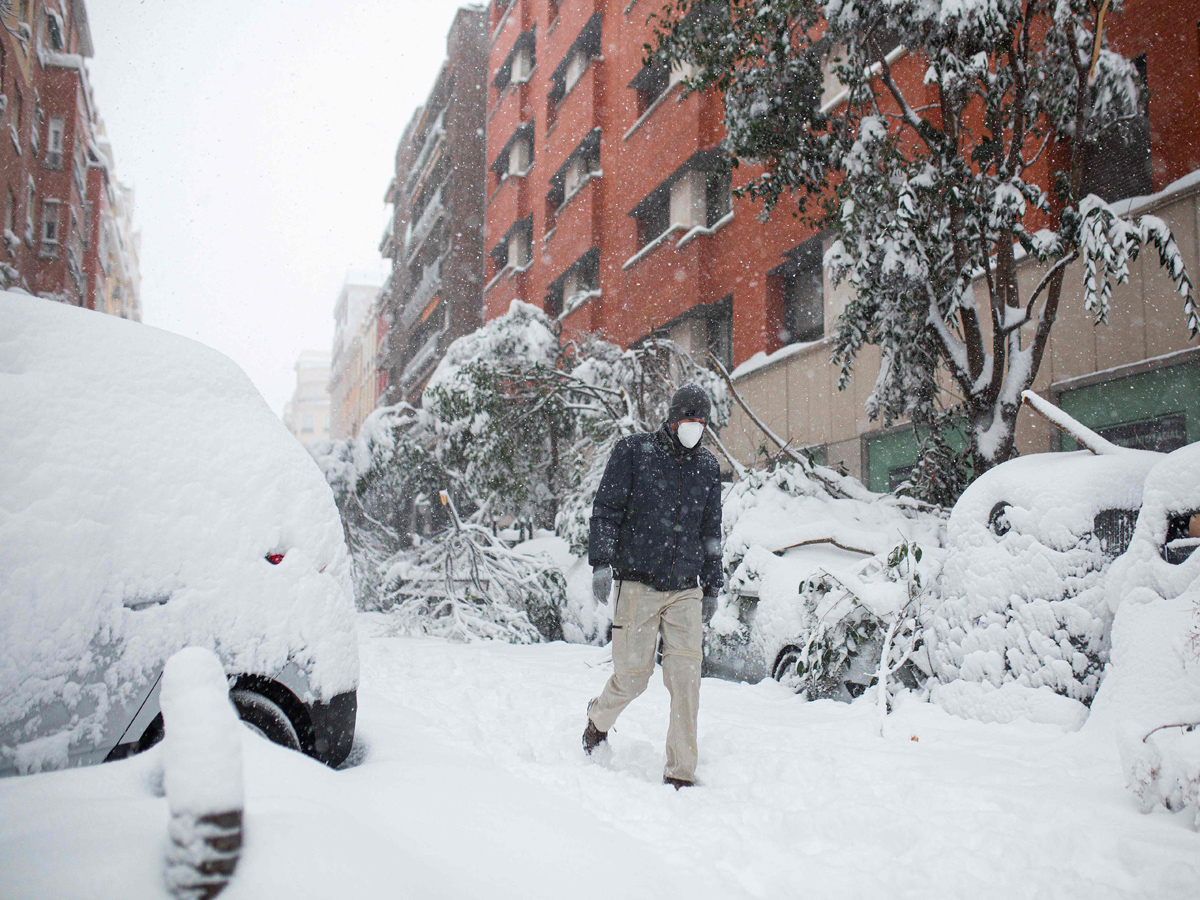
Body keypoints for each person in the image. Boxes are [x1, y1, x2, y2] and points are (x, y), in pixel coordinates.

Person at [582, 383, 722, 788]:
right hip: (638, 584)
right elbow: (606, 509)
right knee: (633, 676)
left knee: (686, 680)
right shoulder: (635, 452)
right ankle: (597, 718)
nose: (694, 429)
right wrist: (601, 562)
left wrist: (711, 587)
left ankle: (680, 773)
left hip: (685, 589)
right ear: (673, 419)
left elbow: (711, 531)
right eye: (689, 421)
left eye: (702, 423)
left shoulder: (708, 468)